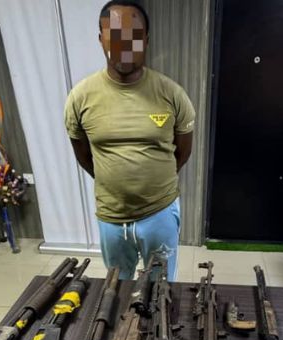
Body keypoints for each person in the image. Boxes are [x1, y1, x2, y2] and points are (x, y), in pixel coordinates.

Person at [64, 0, 195, 281]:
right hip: (111, 217)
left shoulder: (172, 94)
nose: (124, 45)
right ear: (101, 39)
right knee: (117, 287)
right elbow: (83, 155)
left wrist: (153, 183)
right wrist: (115, 183)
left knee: (160, 289)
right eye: (115, 35)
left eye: (133, 36)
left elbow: (183, 152)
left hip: (160, 212)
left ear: (146, 39)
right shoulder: (80, 97)